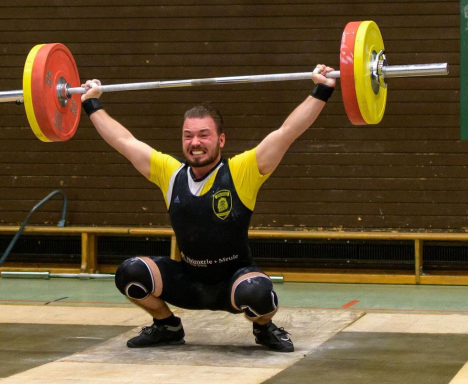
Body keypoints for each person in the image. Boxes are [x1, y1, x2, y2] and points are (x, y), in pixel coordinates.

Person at [81, 64, 336, 353]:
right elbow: (124, 141)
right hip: (188, 281)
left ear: (221, 140)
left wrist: (322, 89)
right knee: (130, 273)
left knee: (259, 295)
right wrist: (91, 102)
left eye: (204, 135)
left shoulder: (241, 171)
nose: (195, 143)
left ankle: (264, 328)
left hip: (234, 281)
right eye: (188, 136)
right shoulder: (170, 173)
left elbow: (287, 132)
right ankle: (167, 326)